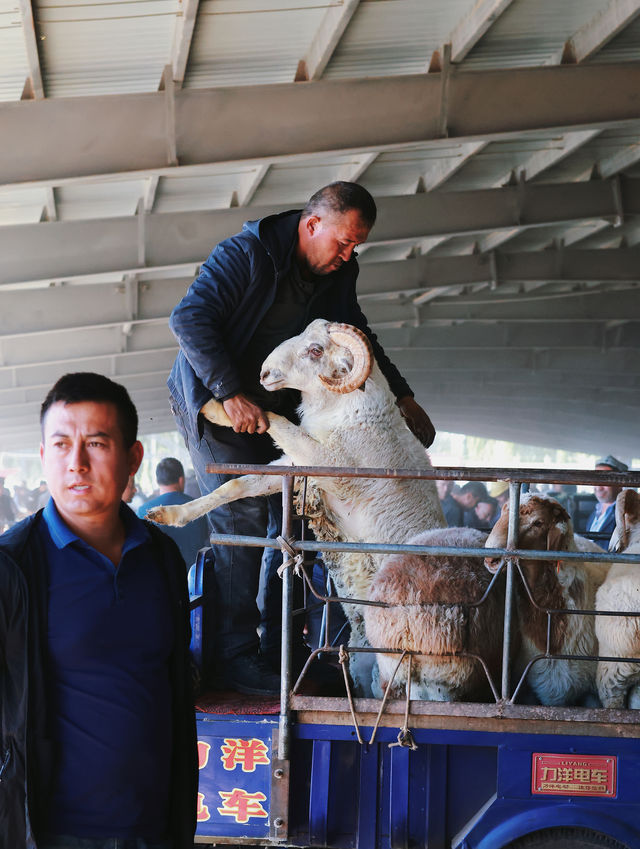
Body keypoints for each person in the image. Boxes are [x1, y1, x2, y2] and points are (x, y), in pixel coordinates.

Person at [167, 181, 436, 696]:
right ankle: (233, 655)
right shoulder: (246, 254)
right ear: (312, 225)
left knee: (297, 519)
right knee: (243, 520)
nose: (347, 254)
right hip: (218, 405)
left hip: (279, 410)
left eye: (356, 246)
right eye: (342, 242)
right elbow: (188, 319)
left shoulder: (337, 271)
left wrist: (401, 394)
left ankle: (280, 650)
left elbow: (353, 331)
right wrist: (228, 390)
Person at [0, 372, 197, 849]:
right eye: (62, 445)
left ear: (133, 458)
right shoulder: (13, 567)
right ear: (44, 457)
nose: (77, 463)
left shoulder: (160, 557)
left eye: (97, 443)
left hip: (155, 826)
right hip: (51, 832)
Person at [139, 457, 210, 569]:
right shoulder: (198, 508)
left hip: (160, 579)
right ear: (181, 480)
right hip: (193, 578)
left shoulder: (144, 511)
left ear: (157, 481)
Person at [586, 454, 629, 549]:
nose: (599, 487)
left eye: (605, 480)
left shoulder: (627, 514)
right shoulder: (596, 510)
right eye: (596, 479)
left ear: (620, 483)